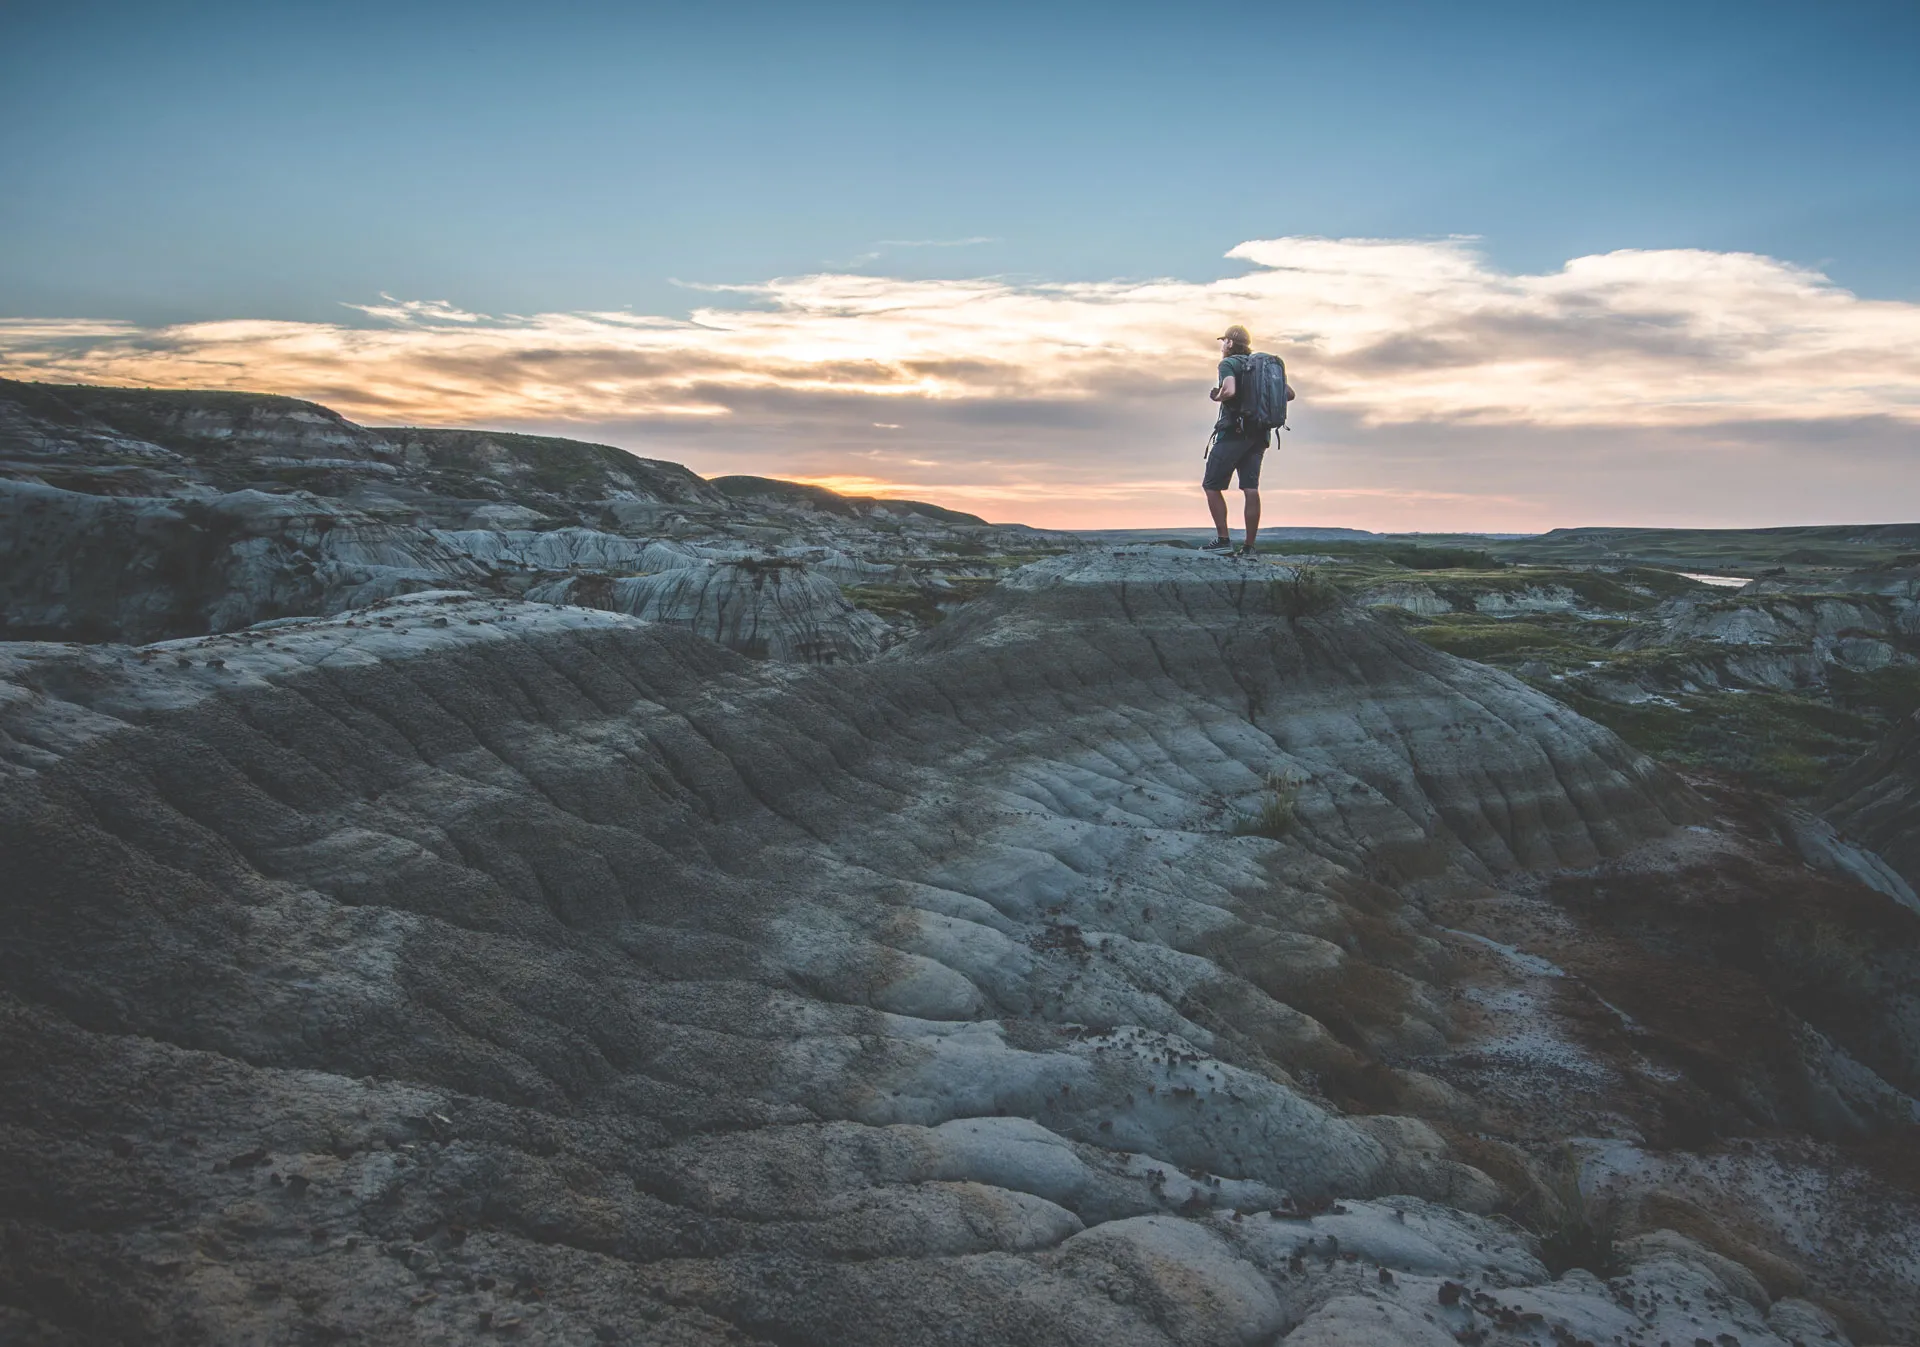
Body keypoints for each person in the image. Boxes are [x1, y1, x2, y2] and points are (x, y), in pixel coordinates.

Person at [1201, 324, 1266, 554]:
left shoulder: (1228, 364)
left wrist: (1217, 396)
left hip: (1233, 433)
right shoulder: (1262, 365)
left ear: (1229, 343)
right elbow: (1289, 393)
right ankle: (1249, 548)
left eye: (1223, 342)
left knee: (1211, 485)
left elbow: (1229, 390)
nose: (1221, 347)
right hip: (1259, 435)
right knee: (1250, 488)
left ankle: (1223, 541)